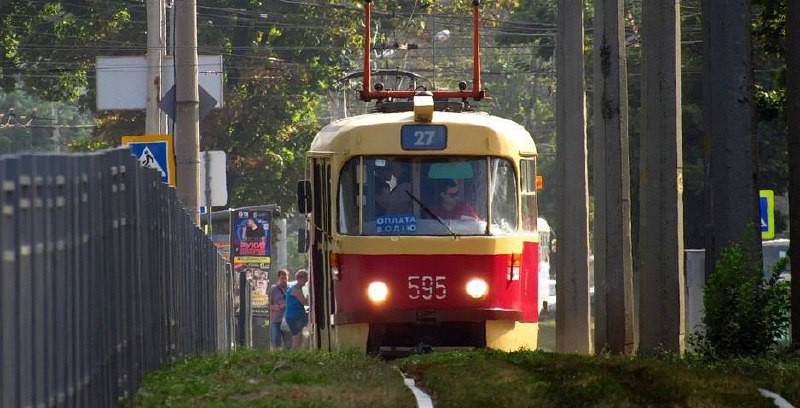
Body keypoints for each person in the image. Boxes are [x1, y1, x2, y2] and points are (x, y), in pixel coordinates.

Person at [285, 269, 310, 349]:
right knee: (297, 339)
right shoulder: (294, 290)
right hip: (294, 317)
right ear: (300, 279)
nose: (306, 281)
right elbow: (305, 302)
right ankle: (293, 356)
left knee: (301, 338)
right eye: (306, 279)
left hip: (299, 316)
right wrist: (310, 297)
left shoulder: (299, 289)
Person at [268, 269, 292, 350]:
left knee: (288, 343)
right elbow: (268, 304)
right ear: (279, 278)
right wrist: (275, 307)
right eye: (282, 278)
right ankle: (276, 359)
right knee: (276, 342)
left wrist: (284, 306)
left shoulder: (291, 289)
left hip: (288, 320)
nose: (284, 280)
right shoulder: (273, 289)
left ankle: (287, 359)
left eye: (286, 278)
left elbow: (294, 303)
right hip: (276, 320)